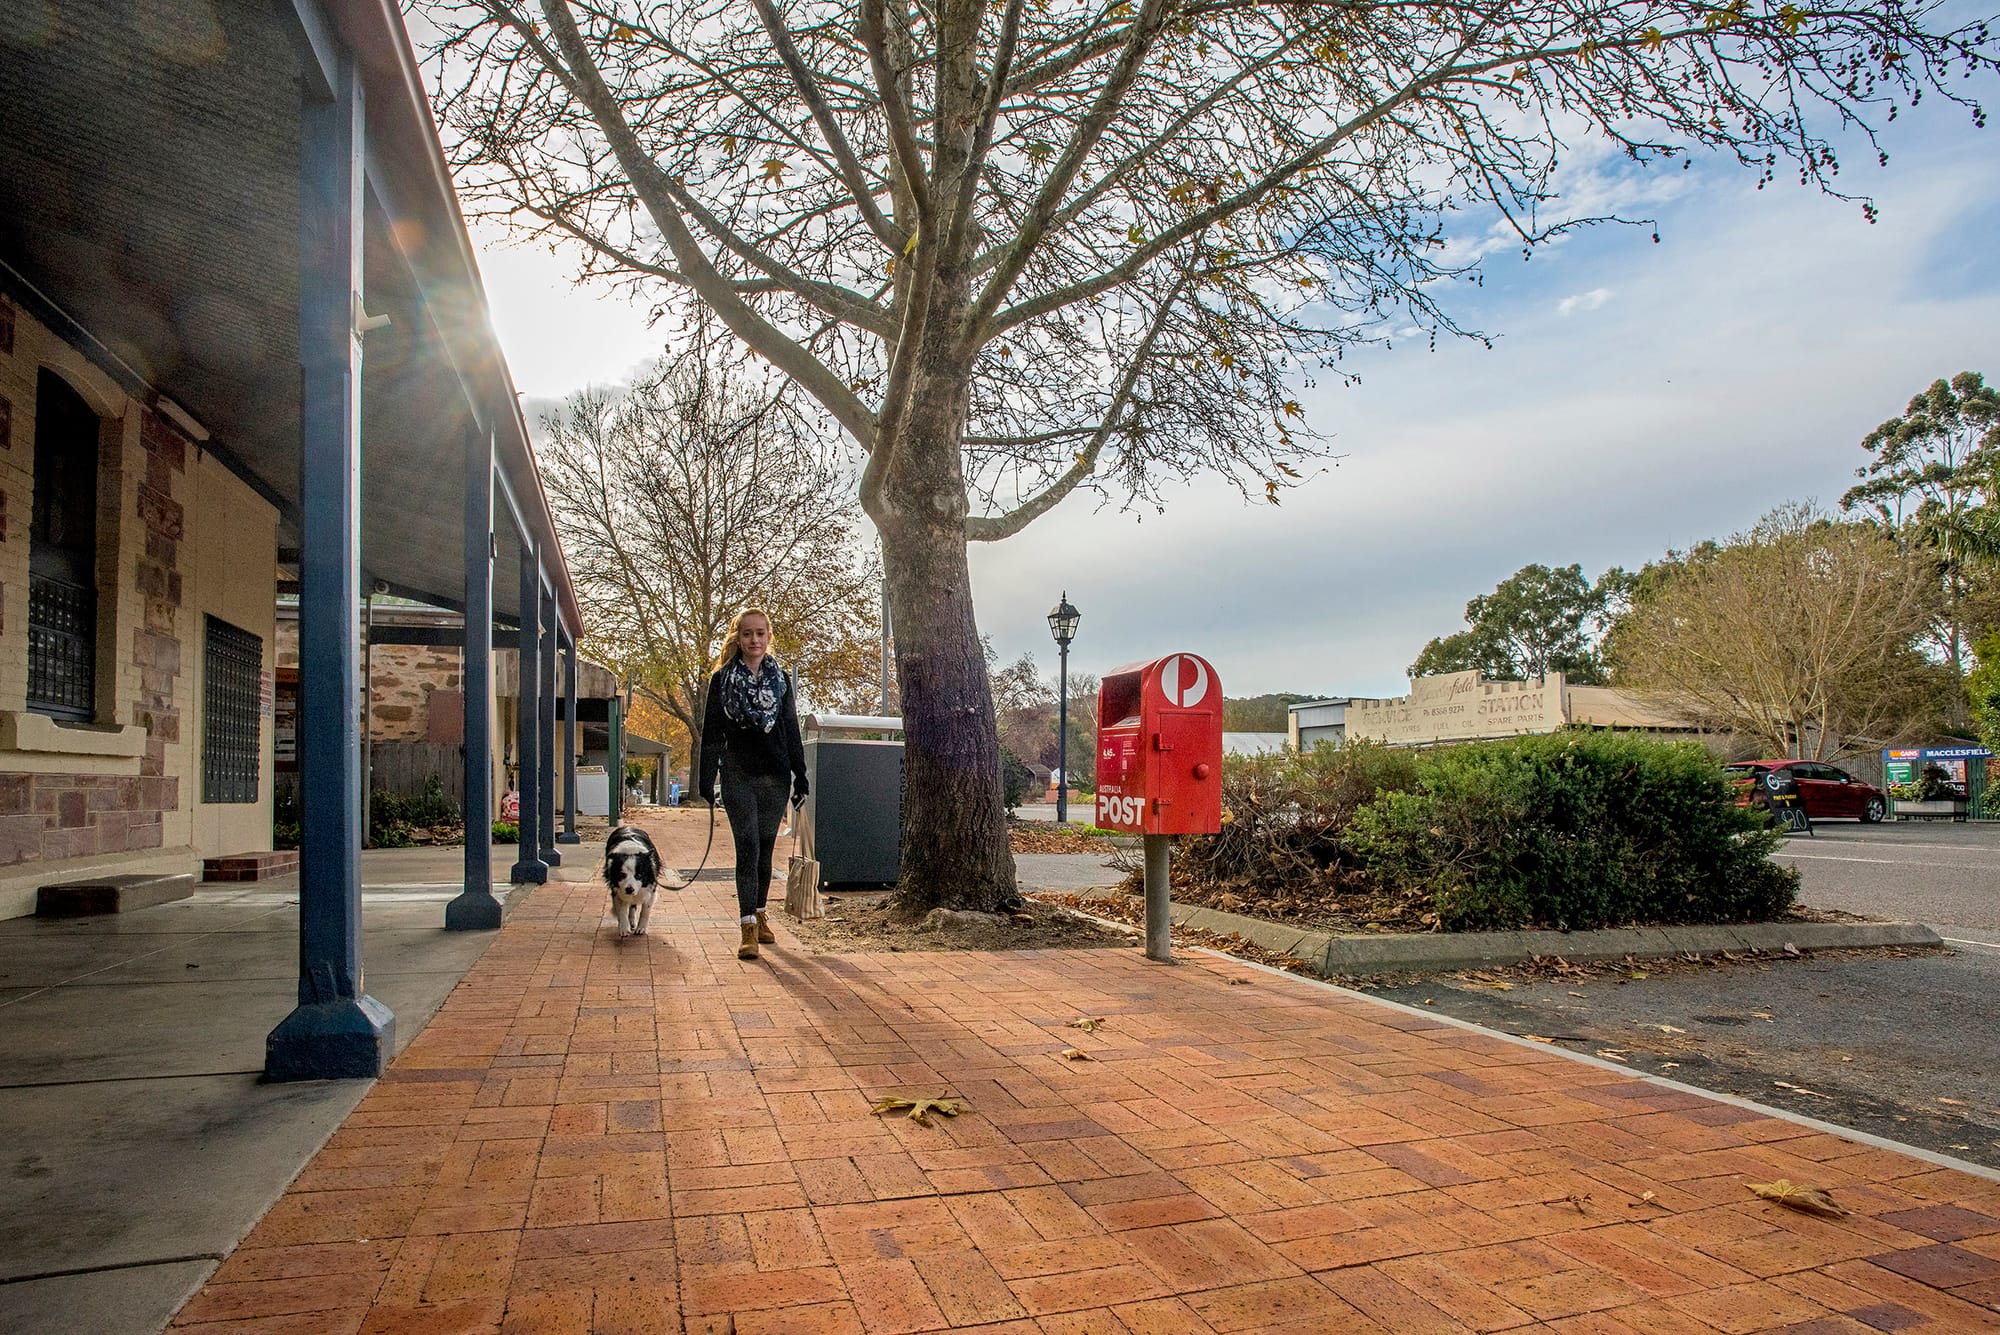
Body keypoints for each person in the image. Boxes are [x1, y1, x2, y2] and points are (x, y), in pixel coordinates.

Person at [698, 607, 808, 959]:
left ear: (768, 637)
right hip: (738, 774)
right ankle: (746, 927)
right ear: (738, 638)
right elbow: (711, 733)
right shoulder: (722, 679)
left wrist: (800, 775)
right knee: (746, 845)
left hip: (775, 776)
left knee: (765, 848)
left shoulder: (780, 680)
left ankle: (760, 914)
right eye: (747, 634)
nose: (754, 640)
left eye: (760, 633)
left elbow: (791, 728)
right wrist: (705, 778)